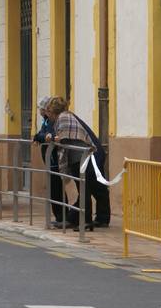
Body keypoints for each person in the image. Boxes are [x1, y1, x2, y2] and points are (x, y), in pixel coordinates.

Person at [45, 96, 110, 229]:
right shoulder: (66, 116)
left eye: (49, 112)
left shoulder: (63, 118)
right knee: (89, 188)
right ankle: (87, 219)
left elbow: (62, 137)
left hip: (82, 158)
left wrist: (52, 138)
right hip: (83, 157)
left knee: (88, 189)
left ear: (53, 111)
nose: (48, 115)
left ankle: (86, 221)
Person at [32, 96, 66, 227]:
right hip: (49, 158)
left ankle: (61, 217)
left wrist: (44, 137)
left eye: (42, 108)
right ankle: (60, 216)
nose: (41, 111)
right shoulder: (46, 121)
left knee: (56, 187)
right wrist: (40, 137)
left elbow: (49, 136)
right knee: (54, 188)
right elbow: (40, 135)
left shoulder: (52, 121)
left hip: (54, 159)